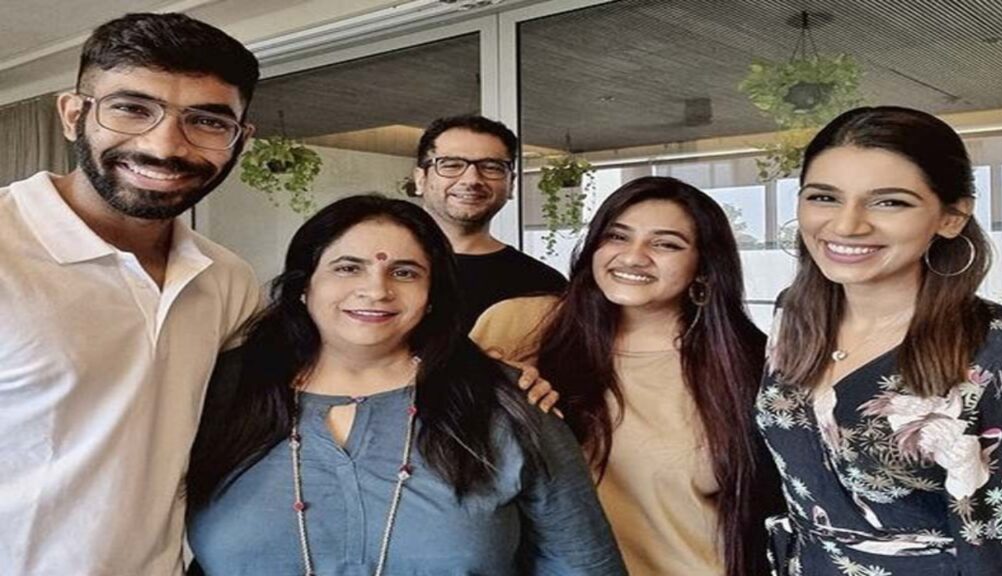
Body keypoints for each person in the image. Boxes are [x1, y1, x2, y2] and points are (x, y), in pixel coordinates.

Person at [185, 195, 626, 576]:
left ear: (432, 294)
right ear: (304, 287)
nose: (376, 290)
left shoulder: (506, 402)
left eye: (405, 273)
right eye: (347, 268)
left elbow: (584, 564)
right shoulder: (221, 391)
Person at [0, 12, 261, 575]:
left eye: (207, 121)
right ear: (74, 115)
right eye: (132, 108)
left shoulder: (229, 280)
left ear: (241, 139)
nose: (165, 146)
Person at [758, 106, 1002, 575]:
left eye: (889, 202)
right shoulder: (792, 315)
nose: (846, 225)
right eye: (824, 197)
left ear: (952, 217)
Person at [471, 176, 780, 576]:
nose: (634, 257)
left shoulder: (747, 365)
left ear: (704, 267)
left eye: (665, 244)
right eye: (617, 237)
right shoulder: (519, 327)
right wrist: (499, 390)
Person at [414, 115, 566, 324]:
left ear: (511, 184)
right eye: (451, 165)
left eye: (491, 167)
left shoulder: (543, 285)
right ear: (420, 179)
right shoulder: (374, 268)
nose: (472, 180)